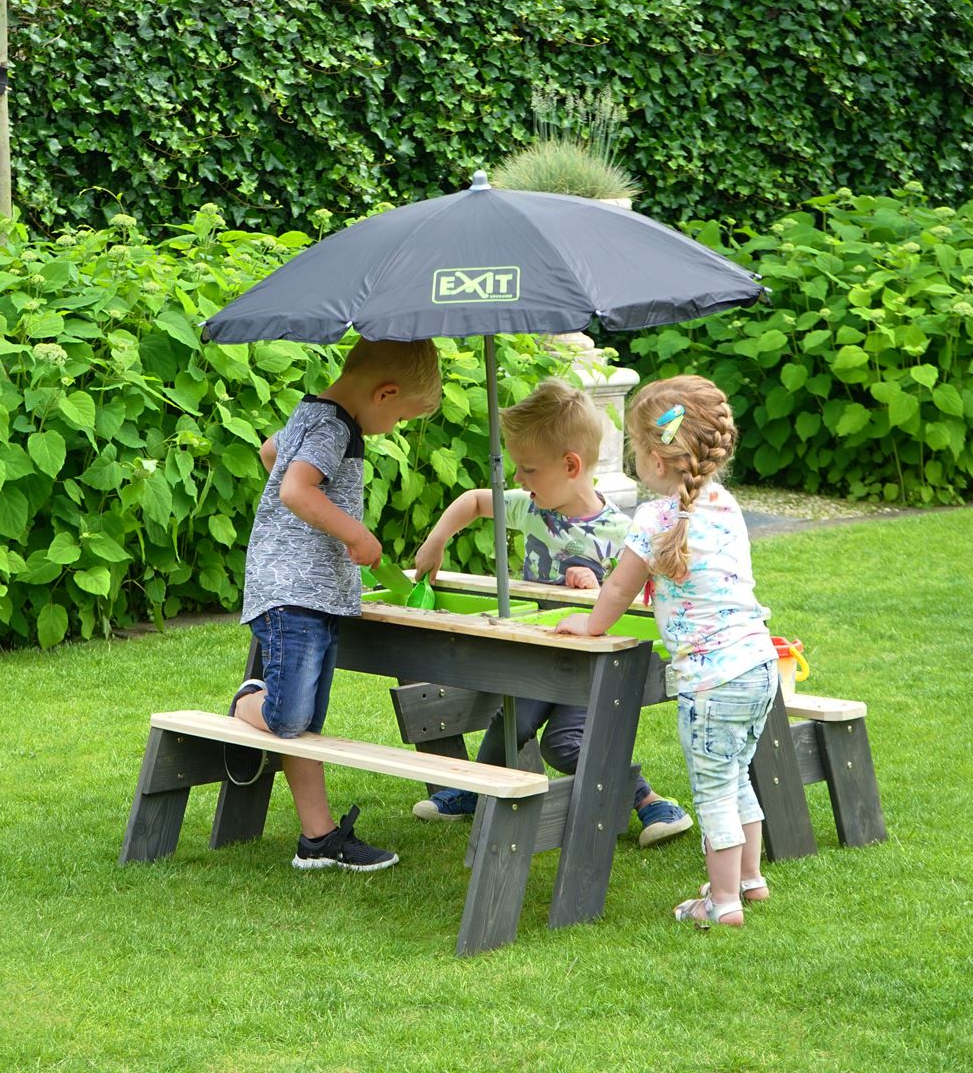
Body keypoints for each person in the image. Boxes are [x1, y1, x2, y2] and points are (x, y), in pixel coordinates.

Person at [407, 378, 694, 847]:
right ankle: (476, 788)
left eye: (528, 469)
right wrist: (436, 541)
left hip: (589, 668)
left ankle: (649, 802)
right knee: (512, 716)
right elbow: (475, 501)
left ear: (570, 465)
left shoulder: (623, 532)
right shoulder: (532, 509)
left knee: (565, 744)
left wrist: (597, 588)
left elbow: (635, 596)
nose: (519, 480)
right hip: (537, 653)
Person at [555, 374, 779, 928]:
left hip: (711, 683)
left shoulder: (656, 518)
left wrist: (589, 626)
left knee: (712, 792)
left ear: (656, 458)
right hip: (759, 666)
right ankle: (748, 880)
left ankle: (722, 903)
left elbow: (617, 589)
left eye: (634, 448)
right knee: (736, 773)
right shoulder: (725, 505)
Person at [228, 337, 443, 872]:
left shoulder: (311, 411)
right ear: (385, 392)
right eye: (398, 417)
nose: (390, 429)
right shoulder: (334, 427)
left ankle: (318, 839)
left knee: (305, 722)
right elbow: (296, 491)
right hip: (293, 591)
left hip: (312, 590)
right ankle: (247, 702)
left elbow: (270, 453)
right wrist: (356, 534)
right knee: (289, 715)